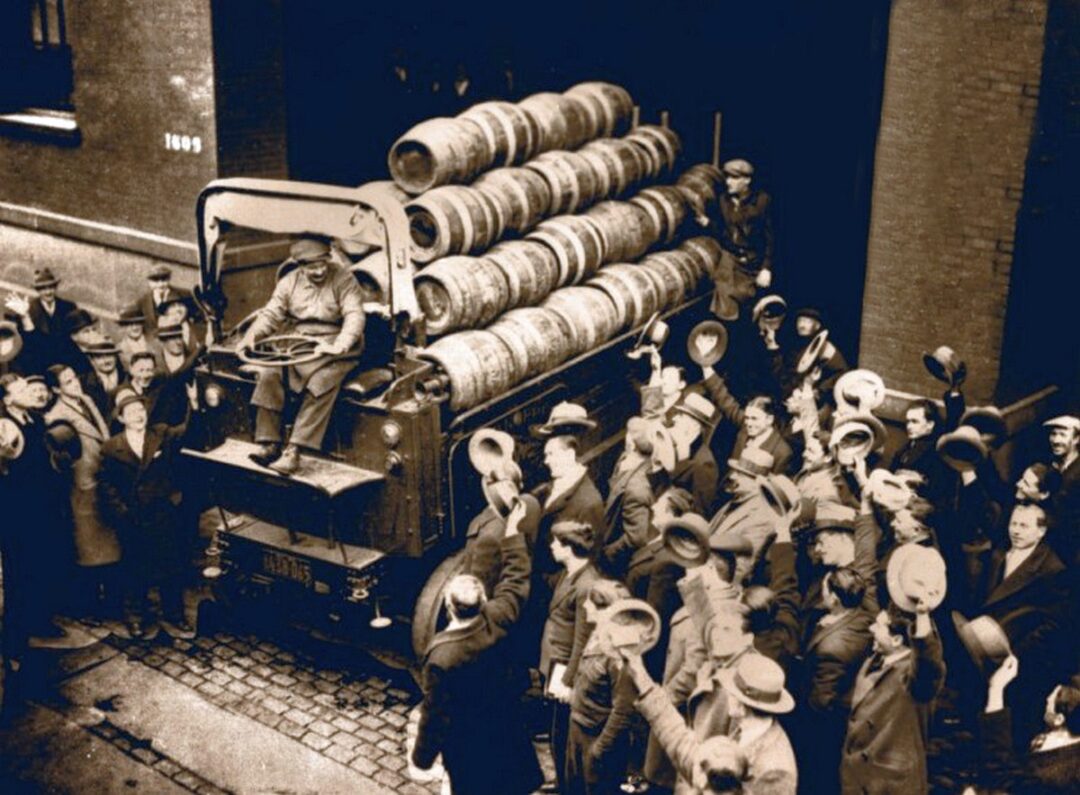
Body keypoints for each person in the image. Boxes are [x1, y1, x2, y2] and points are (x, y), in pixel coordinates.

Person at [409, 498, 543, 795]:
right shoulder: (498, 618)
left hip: (470, 749)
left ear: (448, 607)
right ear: (483, 601)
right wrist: (512, 534)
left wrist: (421, 760)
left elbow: (435, 717)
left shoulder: (442, 658)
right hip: (506, 733)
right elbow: (515, 581)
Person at [239, 237, 366, 475]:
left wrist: (340, 344)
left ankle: (294, 450)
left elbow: (355, 315)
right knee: (270, 374)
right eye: (311, 266)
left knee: (320, 382)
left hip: (337, 348)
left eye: (322, 263)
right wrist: (251, 336)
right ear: (299, 265)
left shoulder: (344, 279)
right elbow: (271, 314)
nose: (319, 270)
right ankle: (268, 442)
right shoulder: (288, 283)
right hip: (301, 344)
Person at [98, 392, 194, 639]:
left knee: (170, 566)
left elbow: (187, 430)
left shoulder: (160, 433)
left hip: (162, 512)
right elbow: (106, 485)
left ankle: (174, 614)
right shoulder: (111, 447)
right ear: (121, 418)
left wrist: (194, 405)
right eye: (131, 413)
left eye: (141, 410)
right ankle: (136, 618)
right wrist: (121, 512)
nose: (138, 416)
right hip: (134, 517)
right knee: (134, 569)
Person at [841, 607, 946, 795]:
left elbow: (928, 663)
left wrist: (922, 616)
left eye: (879, 626)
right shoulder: (877, 658)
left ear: (896, 640)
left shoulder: (915, 679)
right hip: (858, 778)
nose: (872, 628)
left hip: (889, 786)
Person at [44, 364, 121, 619]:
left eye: (74, 378)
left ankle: (108, 602)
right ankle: (90, 606)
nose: (74, 384)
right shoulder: (56, 416)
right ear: (57, 389)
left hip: (104, 479)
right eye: (67, 382)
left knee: (108, 544)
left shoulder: (86, 399)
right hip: (83, 486)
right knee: (89, 548)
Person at [541, 520, 602, 793]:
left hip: (565, 668)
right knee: (558, 733)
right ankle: (563, 781)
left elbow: (583, 638)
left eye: (557, 542)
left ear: (569, 548)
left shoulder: (586, 585)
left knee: (563, 735)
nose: (552, 546)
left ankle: (568, 786)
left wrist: (568, 680)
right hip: (557, 662)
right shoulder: (572, 574)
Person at [566, 580, 638, 795]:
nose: (586, 606)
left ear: (605, 609)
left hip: (597, 739)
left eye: (591, 602)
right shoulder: (598, 633)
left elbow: (623, 708)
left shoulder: (620, 649)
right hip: (578, 729)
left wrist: (600, 749)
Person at [700, 369, 792, 476]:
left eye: (754, 419)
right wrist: (706, 366)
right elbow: (726, 402)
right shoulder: (746, 426)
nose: (748, 423)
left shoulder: (782, 452)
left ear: (769, 420)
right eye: (747, 418)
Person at [603, 416, 664, 577]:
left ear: (630, 443)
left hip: (614, 562)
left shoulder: (637, 488)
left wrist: (608, 553)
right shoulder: (626, 459)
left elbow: (636, 537)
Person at [710, 159, 774, 303]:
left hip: (752, 263)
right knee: (724, 302)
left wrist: (766, 269)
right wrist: (707, 223)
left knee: (748, 304)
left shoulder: (762, 201)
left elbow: (771, 238)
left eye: (734, 178)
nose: (728, 182)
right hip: (730, 260)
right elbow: (723, 231)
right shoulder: (723, 201)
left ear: (747, 180)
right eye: (727, 177)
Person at [668, 392, 721, 516]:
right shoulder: (679, 444)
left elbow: (700, 513)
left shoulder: (705, 464)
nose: (674, 418)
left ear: (694, 425)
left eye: (681, 415)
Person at [81, 337, 126, 419]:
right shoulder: (83, 383)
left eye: (109, 355)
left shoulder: (128, 377)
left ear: (116, 356)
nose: (106, 361)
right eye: (99, 357)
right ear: (92, 360)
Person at [138, 265, 187, 335]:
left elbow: (198, 320)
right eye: (155, 280)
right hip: (153, 343)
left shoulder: (184, 295)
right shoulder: (142, 301)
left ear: (169, 279)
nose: (160, 284)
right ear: (149, 282)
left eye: (164, 279)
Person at [115, 305, 163, 372]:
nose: (135, 328)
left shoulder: (156, 344)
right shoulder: (119, 350)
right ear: (124, 327)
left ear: (142, 324)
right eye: (130, 324)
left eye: (137, 323)